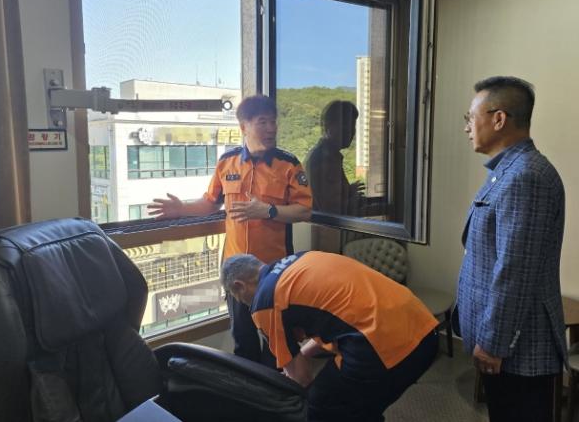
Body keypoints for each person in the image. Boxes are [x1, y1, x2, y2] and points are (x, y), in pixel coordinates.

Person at [148, 95, 313, 366]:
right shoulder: (227, 161)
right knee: (243, 341)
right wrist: (181, 209)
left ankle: (276, 390)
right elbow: (210, 202)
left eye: (273, 122)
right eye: (263, 122)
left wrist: (268, 211)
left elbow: (304, 211)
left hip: (273, 271)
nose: (271, 128)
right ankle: (247, 389)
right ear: (244, 126)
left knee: (278, 342)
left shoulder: (288, 164)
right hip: (236, 272)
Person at [457, 76, 567, 422]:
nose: (467, 128)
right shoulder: (506, 171)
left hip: (520, 347)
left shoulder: (525, 177)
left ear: (499, 119)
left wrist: (494, 342)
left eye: (470, 118)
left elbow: (514, 270)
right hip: (510, 342)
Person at [221, 251, 439, 422]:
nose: (240, 302)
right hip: (424, 330)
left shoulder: (264, 302)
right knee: (362, 406)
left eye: (235, 296)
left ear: (239, 286)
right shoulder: (300, 259)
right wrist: (299, 357)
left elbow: (302, 378)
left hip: (383, 346)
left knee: (319, 406)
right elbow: (332, 318)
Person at [305, 100, 364, 215]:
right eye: (346, 126)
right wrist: (353, 203)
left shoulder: (329, 155)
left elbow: (331, 195)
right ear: (329, 127)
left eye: (353, 126)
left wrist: (348, 191)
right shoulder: (323, 159)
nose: (352, 132)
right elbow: (327, 208)